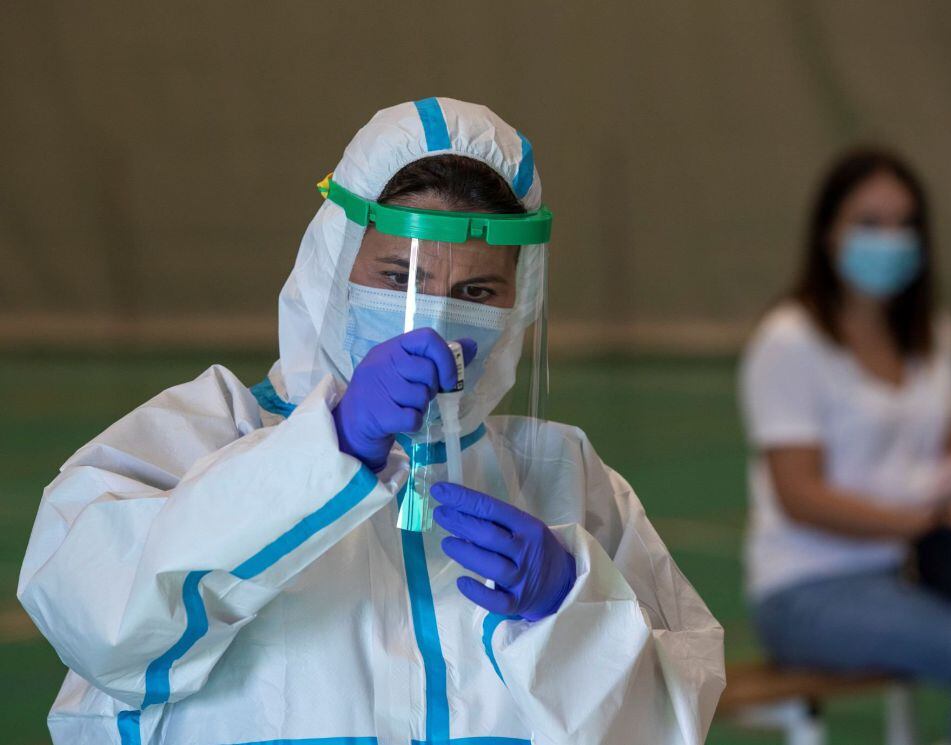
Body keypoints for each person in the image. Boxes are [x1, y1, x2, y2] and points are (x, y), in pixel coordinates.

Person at [17, 98, 726, 745]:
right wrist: (327, 451)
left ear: (519, 300)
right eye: (399, 277)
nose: (440, 318)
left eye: (477, 290)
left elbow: (669, 725)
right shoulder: (202, 432)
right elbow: (96, 620)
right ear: (333, 263)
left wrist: (570, 608)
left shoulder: (564, 481)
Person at [738, 146, 951, 745]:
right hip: (809, 593)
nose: (890, 239)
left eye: (905, 224)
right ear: (827, 232)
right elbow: (801, 498)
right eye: (869, 223)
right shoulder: (788, 341)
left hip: (917, 575)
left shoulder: (931, 336)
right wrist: (939, 517)